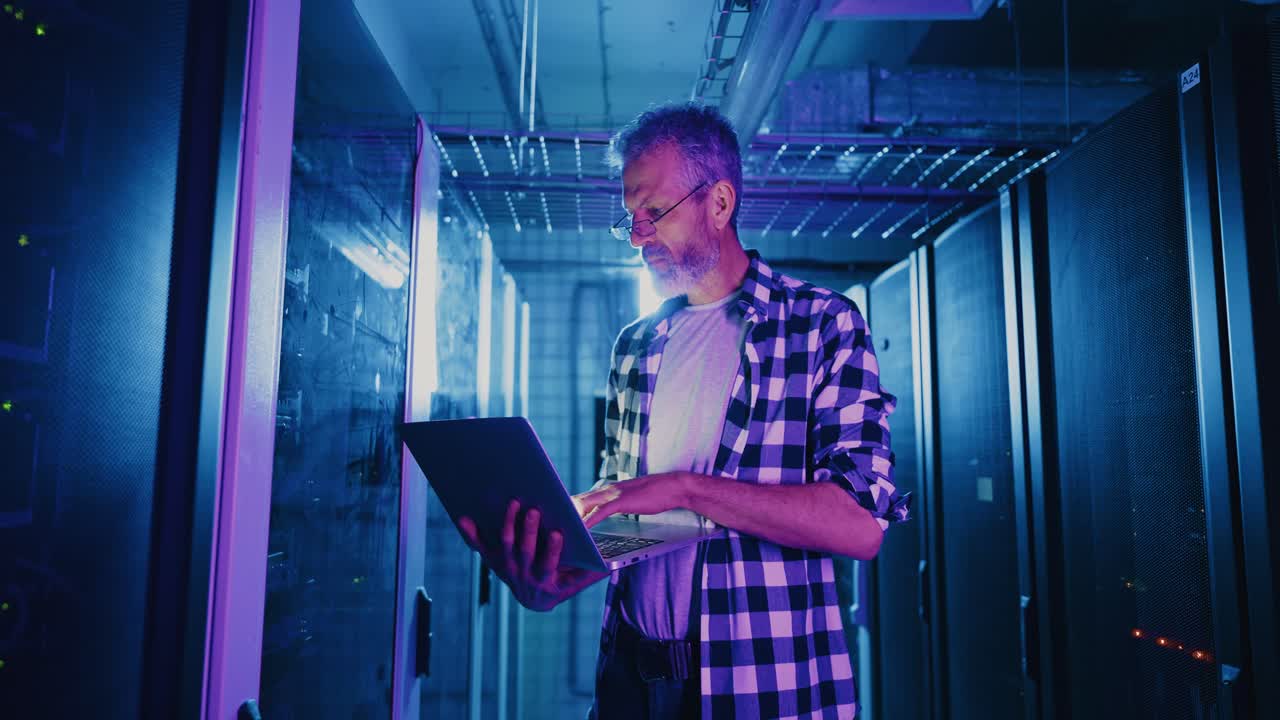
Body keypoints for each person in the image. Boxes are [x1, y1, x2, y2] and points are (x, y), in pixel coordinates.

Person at [458, 102, 910, 719]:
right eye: (631, 219)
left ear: (719, 204)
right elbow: (640, 522)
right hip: (631, 680)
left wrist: (684, 488)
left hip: (760, 683)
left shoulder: (821, 325)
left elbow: (858, 526)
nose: (639, 236)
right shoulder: (636, 346)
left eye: (654, 213)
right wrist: (561, 571)